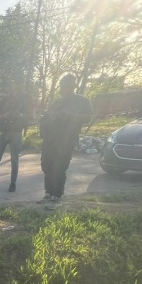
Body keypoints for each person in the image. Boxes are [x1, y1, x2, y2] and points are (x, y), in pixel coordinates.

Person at [38, 73, 93, 209]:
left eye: (67, 85)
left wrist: (70, 115)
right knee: (47, 165)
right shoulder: (57, 102)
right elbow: (47, 116)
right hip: (50, 139)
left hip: (66, 140)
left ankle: (57, 197)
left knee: (59, 167)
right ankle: (48, 193)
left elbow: (88, 117)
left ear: (73, 86)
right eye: (62, 85)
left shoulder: (81, 101)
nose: (64, 88)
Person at [0, 84, 33, 192]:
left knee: (14, 159)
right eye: (12, 88)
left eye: (16, 88)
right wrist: (4, 116)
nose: (13, 90)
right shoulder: (3, 101)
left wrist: (20, 115)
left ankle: (13, 183)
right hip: (3, 132)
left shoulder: (24, 101)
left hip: (16, 132)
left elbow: (31, 116)